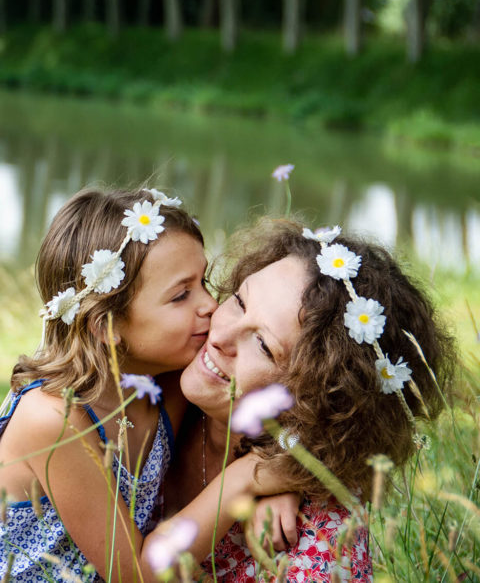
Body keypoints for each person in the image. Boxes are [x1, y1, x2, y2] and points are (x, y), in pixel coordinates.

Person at [0, 187, 291, 582]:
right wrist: (247, 481)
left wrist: (280, 486)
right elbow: (134, 575)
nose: (210, 305)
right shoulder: (55, 418)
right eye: (181, 295)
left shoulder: (171, 384)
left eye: (205, 282)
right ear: (107, 326)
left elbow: (272, 406)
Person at [165, 218, 456, 581]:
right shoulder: (156, 370)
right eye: (239, 301)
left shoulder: (318, 542)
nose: (220, 333)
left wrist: (254, 478)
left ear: (316, 400)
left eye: (262, 345)